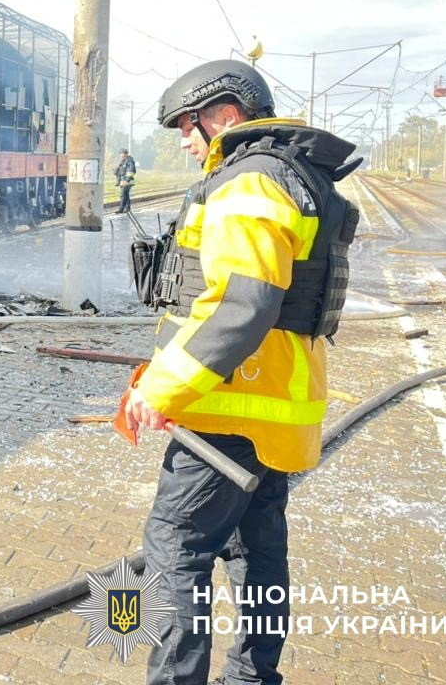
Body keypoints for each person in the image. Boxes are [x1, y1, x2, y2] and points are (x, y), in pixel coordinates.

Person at [122, 59, 359, 685]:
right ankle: (254, 677)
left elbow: (244, 303)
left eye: (186, 126)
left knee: (176, 554)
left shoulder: (250, 182)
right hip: (272, 409)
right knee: (257, 552)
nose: (182, 140)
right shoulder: (297, 175)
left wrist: (165, 386)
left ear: (225, 115)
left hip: (226, 410)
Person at [115, 147, 137, 213]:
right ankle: (127, 208)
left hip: (127, 181)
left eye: (124, 154)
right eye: (121, 154)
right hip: (123, 181)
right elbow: (119, 172)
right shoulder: (122, 162)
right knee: (126, 195)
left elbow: (131, 171)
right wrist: (118, 181)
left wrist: (127, 181)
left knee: (123, 195)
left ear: (127, 154)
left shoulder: (129, 161)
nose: (122, 155)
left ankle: (121, 209)